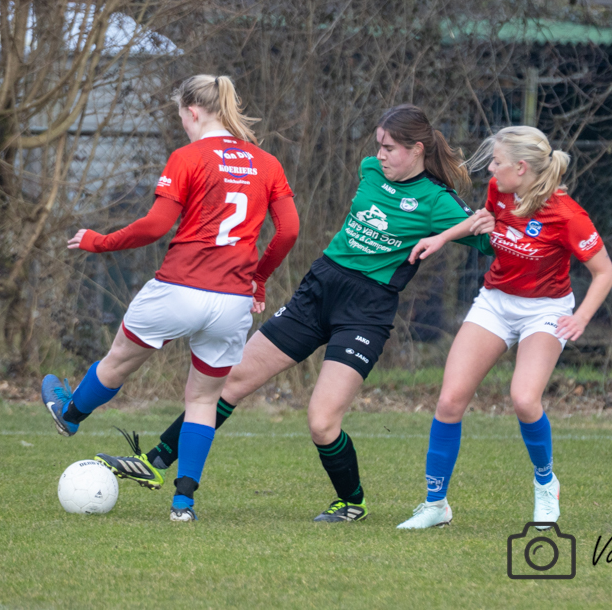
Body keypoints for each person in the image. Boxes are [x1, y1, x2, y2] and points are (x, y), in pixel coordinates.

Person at [95, 104, 494, 523]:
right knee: (230, 380)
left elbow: (487, 241)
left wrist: (471, 226)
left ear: (417, 150)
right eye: (378, 145)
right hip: (318, 290)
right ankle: (155, 461)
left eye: (389, 148)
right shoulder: (370, 171)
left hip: (366, 311)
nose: (379, 155)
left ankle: (351, 502)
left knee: (322, 422)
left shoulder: (437, 201)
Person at [41, 74, 299, 522]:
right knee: (202, 401)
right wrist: (258, 279)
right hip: (232, 301)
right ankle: (183, 504)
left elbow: (155, 225)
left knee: (118, 362)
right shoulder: (266, 162)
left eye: (181, 114)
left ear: (192, 111)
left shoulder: (188, 157)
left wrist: (99, 241)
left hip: (179, 289)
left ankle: (71, 413)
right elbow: (289, 230)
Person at [397, 125, 612, 530]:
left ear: (521, 167)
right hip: (496, 301)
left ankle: (546, 484)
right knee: (449, 401)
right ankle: (435, 504)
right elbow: (484, 220)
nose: (491, 169)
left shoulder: (568, 215)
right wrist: (442, 237)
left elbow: (605, 272)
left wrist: (581, 317)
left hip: (545, 309)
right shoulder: (500, 190)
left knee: (524, 399)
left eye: (497, 162)